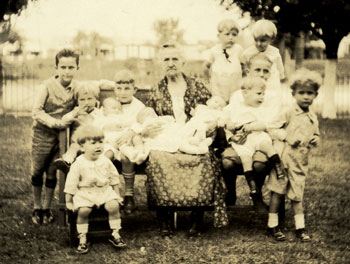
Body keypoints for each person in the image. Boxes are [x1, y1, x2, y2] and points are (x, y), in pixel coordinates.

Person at [145, 42, 228, 238]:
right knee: (157, 159)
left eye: (175, 59)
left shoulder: (197, 86)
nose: (171, 63)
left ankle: (196, 218)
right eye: (166, 59)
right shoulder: (156, 90)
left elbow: (211, 114)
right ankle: (164, 217)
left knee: (203, 160)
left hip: (193, 138)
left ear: (183, 62)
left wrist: (206, 129)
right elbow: (149, 117)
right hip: (167, 138)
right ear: (160, 63)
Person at [265, 68, 322, 242]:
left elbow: (316, 134)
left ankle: (300, 228)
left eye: (310, 93)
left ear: (316, 95)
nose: (306, 97)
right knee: (277, 193)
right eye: (302, 93)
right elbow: (272, 128)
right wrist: (286, 136)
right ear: (293, 93)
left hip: (300, 163)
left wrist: (314, 139)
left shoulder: (312, 116)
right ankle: (273, 225)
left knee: (297, 195)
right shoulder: (288, 112)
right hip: (284, 161)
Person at [221, 52, 277, 210]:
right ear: (248, 72)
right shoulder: (238, 95)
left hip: (262, 140)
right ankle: (230, 191)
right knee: (227, 162)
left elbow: (274, 122)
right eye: (257, 70)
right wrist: (232, 133)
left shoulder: (271, 96)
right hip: (241, 140)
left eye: (265, 71)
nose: (261, 74)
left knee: (259, 164)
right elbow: (230, 117)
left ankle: (256, 195)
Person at [30, 48, 80, 225]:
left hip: (61, 137)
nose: (67, 71)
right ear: (56, 68)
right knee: (37, 170)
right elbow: (36, 111)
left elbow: (81, 105)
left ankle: (46, 208)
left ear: (77, 68)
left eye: (71, 67)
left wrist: (73, 113)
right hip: (43, 133)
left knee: (52, 172)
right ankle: (36, 207)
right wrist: (54, 122)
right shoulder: (46, 86)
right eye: (63, 67)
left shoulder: (76, 88)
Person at [64, 125, 126, 254]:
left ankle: (115, 233)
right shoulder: (79, 163)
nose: (98, 146)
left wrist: (117, 195)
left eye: (101, 142)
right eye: (93, 143)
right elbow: (71, 183)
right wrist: (69, 201)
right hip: (86, 193)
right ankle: (82, 236)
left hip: (104, 191)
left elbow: (114, 178)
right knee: (83, 211)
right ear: (82, 147)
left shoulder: (105, 161)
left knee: (113, 206)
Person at [104, 69, 146, 215]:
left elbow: (143, 122)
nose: (123, 92)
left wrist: (131, 131)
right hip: (111, 140)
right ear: (114, 89)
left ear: (134, 89)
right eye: (119, 88)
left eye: (127, 88)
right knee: (105, 156)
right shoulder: (111, 104)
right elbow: (103, 120)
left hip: (130, 141)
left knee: (125, 156)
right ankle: (106, 193)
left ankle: (129, 195)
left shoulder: (138, 106)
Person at [54, 81, 101, 172]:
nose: (86, 102)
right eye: (82, 100)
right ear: (77, 101)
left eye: (90, 99)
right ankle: (67, 161)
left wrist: (88, 118)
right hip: (79, 143)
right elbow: (64, 119)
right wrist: (75, 114)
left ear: (96, 99)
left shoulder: (99, 113)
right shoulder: (76, 112)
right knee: (74, 147)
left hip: (93, 143)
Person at [95, 97, 147, 165]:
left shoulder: (123, 116)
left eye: (119, 109)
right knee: (121, 146)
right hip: (110, 139)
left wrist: (127, 126)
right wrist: (106, 127)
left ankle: (140, 153)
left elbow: (134, 123)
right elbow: (95, 126)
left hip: (124, 137)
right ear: (104, 110)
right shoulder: (101, 118)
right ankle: (132, 155)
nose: (117, 110)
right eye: (114, 108)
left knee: (136, 138)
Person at [203, 19, 243, 103]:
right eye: (227, 34)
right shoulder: (214, 50)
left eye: (234, 35)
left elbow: (244, 64)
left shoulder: (238, 49)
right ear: (219, 36)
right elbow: (206, 65)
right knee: (219, 102)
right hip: (218, 82)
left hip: (234, 82)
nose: (231, 37)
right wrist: (207, 80)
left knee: (235, 101)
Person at [241, 19, 285, 94]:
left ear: (271, 39)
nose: (258, 43)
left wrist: (281, 76)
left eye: (262, 40)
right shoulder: (247, 53)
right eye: (256, 40)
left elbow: (280, 69)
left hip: (272, 82)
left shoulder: (275, 52)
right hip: (255, 83)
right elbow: (243, 70)